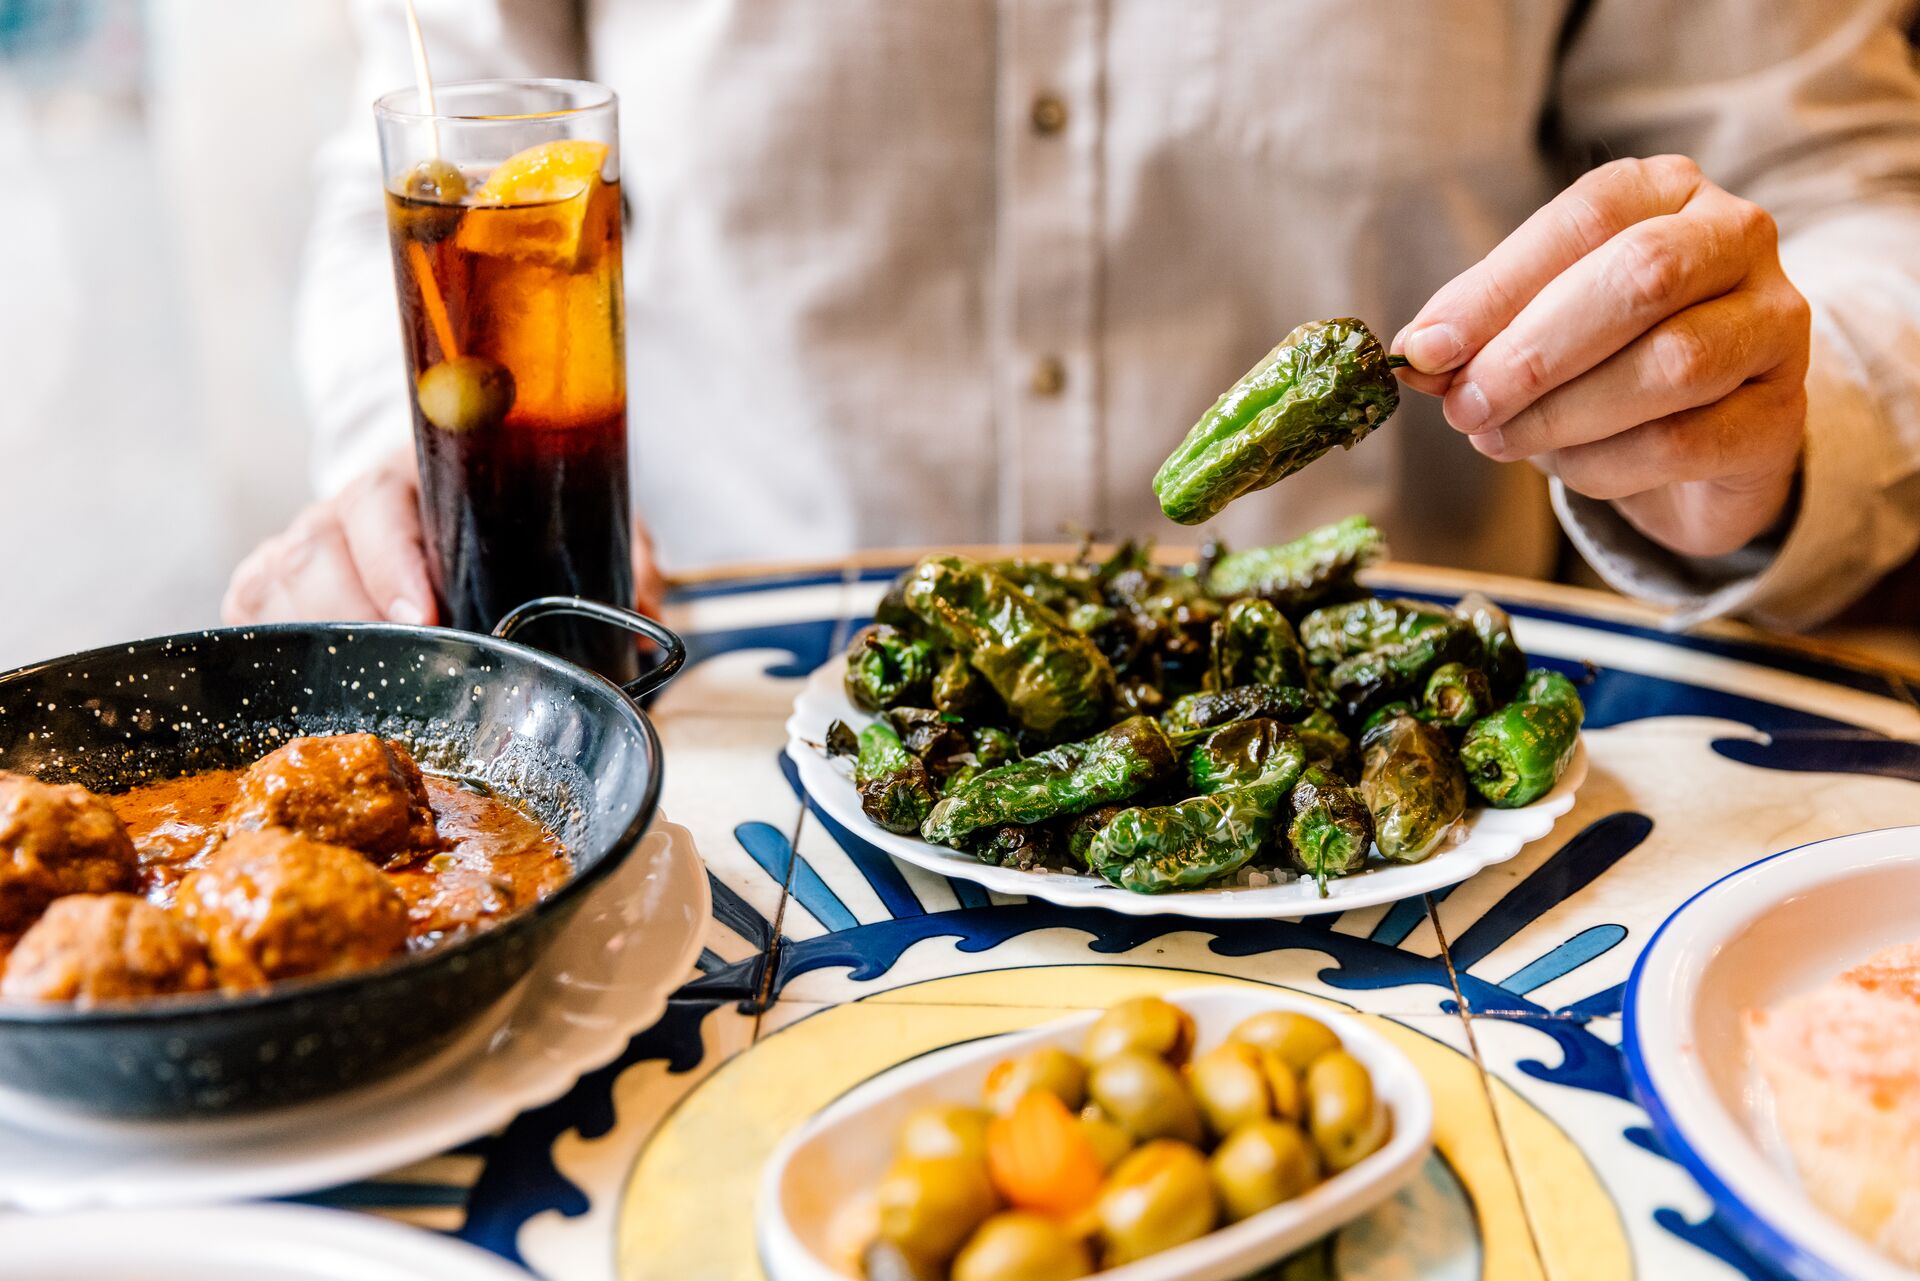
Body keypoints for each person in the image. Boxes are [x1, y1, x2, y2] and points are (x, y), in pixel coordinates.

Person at [226, 0, 1920, 633]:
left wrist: (1769, 409)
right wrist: (410, 465)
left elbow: (1846, 190)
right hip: (728, 720)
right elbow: (436, 144)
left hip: (1405, 761)